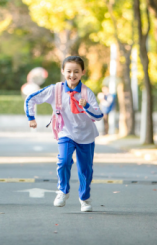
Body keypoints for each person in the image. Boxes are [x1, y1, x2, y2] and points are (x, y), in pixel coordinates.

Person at [25, 56, 103, 212]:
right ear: (62, 71)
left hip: (86, 136)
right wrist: (31, 118)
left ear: (83, 73)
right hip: (65, 133)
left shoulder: (87, 93)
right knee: (64, 161)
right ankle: (63, 190)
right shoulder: (56, 90)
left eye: (76, 72)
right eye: (68, 71)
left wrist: (86, 106)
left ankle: (85, 199)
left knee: (85, 170)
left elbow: (98, 115)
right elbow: (31, 99)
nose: (72, 75)